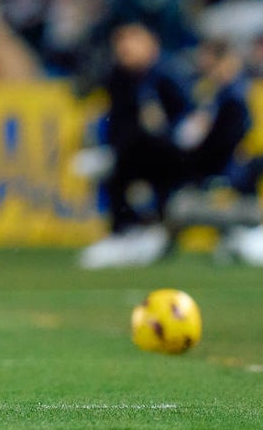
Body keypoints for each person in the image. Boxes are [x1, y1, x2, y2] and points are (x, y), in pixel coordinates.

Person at [79, 22, 195, 269]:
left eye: (131, 41)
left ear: (150, 43)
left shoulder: (168, 74)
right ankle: (124, 235)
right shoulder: (119, 77)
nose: (125, 49)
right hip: (131, 152)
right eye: (120, 43)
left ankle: (154, 235)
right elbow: (90, 98)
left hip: (168, 154)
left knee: (147, 186)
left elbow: (185, 118)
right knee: (113, 177)